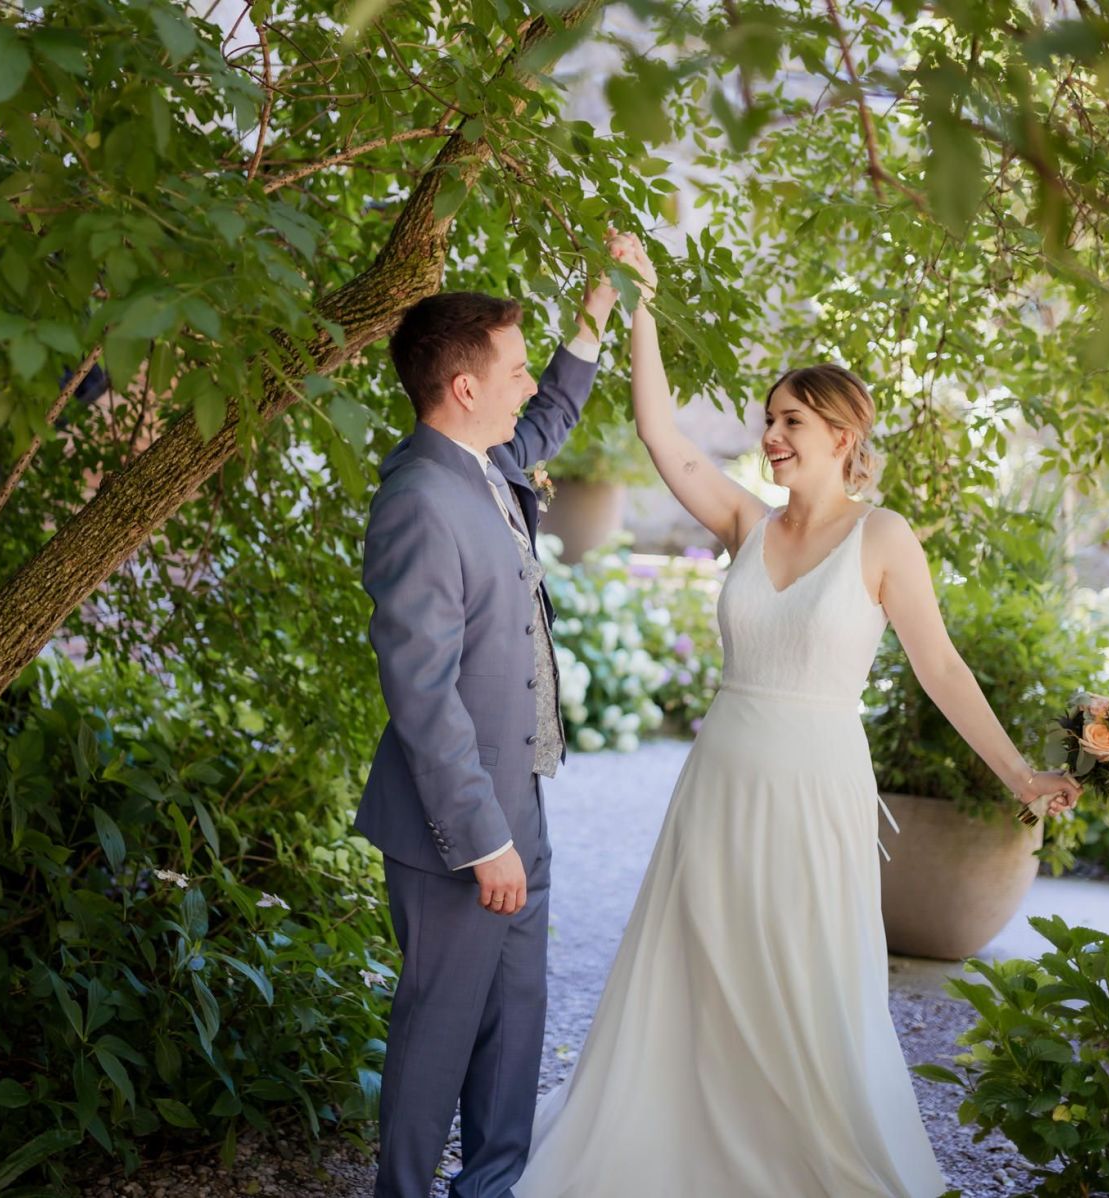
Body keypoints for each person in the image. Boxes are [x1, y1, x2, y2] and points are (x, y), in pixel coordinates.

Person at [512, 237, 1080, 1197]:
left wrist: (1021, 774)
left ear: (844, 435)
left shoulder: (883, 538)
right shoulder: (745, 521)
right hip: (722, 780)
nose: (773, 435)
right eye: (769, 420)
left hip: (817, 784)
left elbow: (940, 667)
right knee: (699, 963)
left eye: (792, 421)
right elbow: (661, 435)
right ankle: (679, 1144)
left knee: (801, 974)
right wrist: (639, 302)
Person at [357, 234, 640, 1198]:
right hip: (456, 825)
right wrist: (482, 839)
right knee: (438, 1029)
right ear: (465, 387)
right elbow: (422, 692)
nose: (528, 385)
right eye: (514, 370)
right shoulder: (419, 499)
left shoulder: (488, 461)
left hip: (521, 796)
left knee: (517, 1019)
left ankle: (491, 1186)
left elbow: (552, 411)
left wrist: (597, 311)